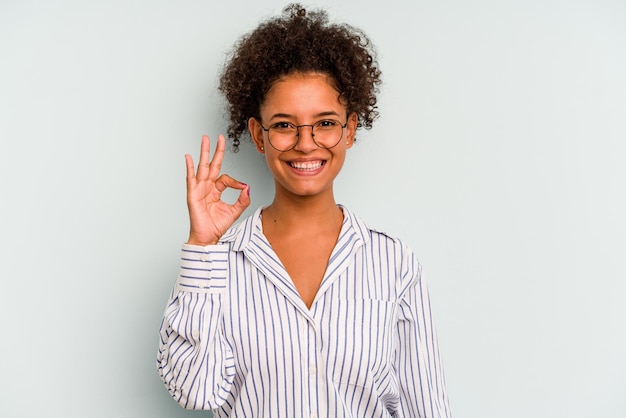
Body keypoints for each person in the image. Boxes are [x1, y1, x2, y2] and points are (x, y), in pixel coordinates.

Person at [157, 4, 451, 417]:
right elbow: (197, 392)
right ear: (259, 136)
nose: (306, 143)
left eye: (326, 123)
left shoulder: (394, 263)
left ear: (349, 130)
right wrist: (202, 247)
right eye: (283, 125)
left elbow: (426, 408)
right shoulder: (215, 265)